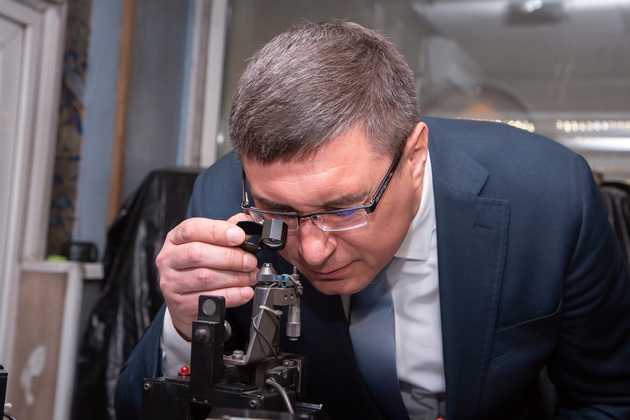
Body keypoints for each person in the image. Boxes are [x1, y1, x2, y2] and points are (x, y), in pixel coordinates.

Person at [115, 20, 630, 419]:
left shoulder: (549, 200)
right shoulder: (224, 197)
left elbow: (609, 398)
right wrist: (186, 329)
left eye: (343, 208)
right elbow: (135, 409)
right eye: (280, 213)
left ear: (415, 156)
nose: (312, 252)